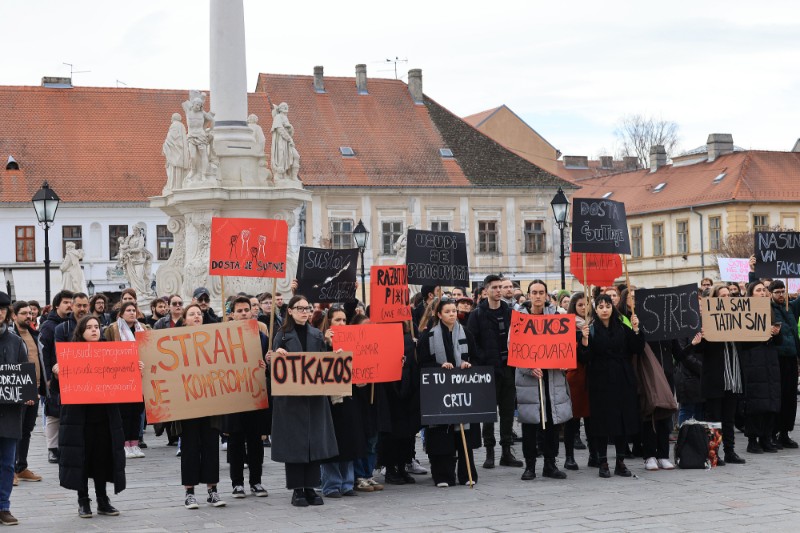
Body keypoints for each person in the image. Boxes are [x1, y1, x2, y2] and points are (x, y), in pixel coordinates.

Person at [269, 295, 338, 507]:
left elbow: (323, 364)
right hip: (291, 401)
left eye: (307, 308)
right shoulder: (282, 335)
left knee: (314, 443)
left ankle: (310, 487)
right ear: (289, 311)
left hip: (314, 399)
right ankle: (297, 489)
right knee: (295, 445)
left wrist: (335, 357)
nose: (304, 311)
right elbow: (274, 367)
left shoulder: (317, 335)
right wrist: (276, 356)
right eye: (299, 308)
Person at [58, 315, 127, 518]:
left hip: (105, 417)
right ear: (81, 332)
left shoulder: (110, 352)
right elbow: (57, 389)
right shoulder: (71, 354)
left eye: (96, 327)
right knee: (83, 458)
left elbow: (123, 379)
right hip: (80, 419)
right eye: (89, 327)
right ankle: (83, 500)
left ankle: (102, 499)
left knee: (101, 459)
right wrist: (57, 373)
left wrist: (134, 371)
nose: (94, 330)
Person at [578, 294, 644, 478]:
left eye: (607, 306)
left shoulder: (623, 327)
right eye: (600, 306)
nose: (605, 309)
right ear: (596, 310)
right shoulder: (590, 329)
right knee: (601, 421)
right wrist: (583, 340)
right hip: (600, 380)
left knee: (622, 420)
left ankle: (620, 461)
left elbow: (637, 348)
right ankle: (603, 461)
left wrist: (637, 329)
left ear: (612, 308)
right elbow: (584, 357)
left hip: (623, 378)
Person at [418, 299, 480, 487]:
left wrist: (469, 365)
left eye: (454, 310)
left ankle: (467, 473)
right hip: (439, 391)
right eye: (447, 311)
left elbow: (476, 357)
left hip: (462, 390)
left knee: (464, 433)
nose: (452, 314)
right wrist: (439, 367)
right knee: (440, 434)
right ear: (439, 315)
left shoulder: (466, 333)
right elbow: (421, 363)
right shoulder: (428, 337)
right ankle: (443, 475)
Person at [517, 280, 572, 481]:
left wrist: (565, 361)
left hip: (553, 378)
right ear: (529, 295)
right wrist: (529, 367)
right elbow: (514, 350)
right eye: (534, 292)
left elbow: (565, 346)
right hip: (530, 380)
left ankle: (550, 463)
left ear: (547, 295)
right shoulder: (520, 319)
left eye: (541, 292)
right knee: (530, 424)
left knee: (552, 423)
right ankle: (529, 465)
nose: (538, 296)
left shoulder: (557, 318)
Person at [467, 274, 521, 469]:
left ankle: (506, 451)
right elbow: (473, 342)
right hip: (488, 370)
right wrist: (483, 360)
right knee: (488, 413)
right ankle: (489, 452)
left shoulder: (510, 312)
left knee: (507, 412)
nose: (499, 291)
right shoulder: (477, 314)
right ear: (486, 290)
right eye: (495, 287)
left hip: (509, 368)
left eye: (501, 287)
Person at [175, 303, 226, 509]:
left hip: (210, 402)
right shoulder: (175, 341)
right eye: (192, 314)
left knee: (211, 445)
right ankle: (189, 492)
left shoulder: (213, 338)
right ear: (185, 319)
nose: (196, 316)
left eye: (199, 314)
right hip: (186, 404)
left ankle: (212, 490)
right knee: (189, 447)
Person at [692, 284, 746, 464]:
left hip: (733, 377)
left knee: (729, 418)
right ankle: (714, 453)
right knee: (714, 418)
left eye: (728, 295)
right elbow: (700, 350)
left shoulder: (738, 318)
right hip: (716, 377)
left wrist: (769, 335)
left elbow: (748, 343)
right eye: (722, 296)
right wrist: (701, 339)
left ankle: (730, 451)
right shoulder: (706, 320)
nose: (726, 298)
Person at [223, 297, 270, 499]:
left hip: (255, 394)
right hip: (233, 396)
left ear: (252, 312)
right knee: (235, 440)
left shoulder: (262, 337)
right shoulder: (223, 337)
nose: (243, 313)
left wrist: (266, 365)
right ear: (232, 314)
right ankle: (237, 483)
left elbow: (268, 370)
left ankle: (256, 481)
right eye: (239, 310)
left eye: (246, 310)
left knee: (255, 441)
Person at [318, 306, 365, 497]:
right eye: (337, 320)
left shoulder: (353, 340)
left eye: (344, 320)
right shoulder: (320, 341)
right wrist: (328, 345)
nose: (342, 324)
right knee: (332, 442)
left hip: (349, 396)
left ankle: (347, 483)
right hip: (330, 399)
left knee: (348, 440)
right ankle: (331, 484)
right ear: (328, 322)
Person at [0, 292, 33, 526]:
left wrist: (28, 393)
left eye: (2, 309)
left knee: (7, 463)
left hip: (10, 413)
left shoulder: (15, 341)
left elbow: (23, 373)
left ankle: (3, 506)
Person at [738, 281, 782, 454]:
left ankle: (766, 437)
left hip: (770, 360)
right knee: (756, 401)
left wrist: (776, 334)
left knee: (771, 400)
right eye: (758, 290)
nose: (763, 292)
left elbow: (779, 342)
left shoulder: (771, 311)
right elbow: (743, 341)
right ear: (751, 294)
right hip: (753, 360)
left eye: (764, 290)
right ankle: (752, 439)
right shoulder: (744, 312)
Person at [376, 319, 421, 486]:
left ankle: (402, 466)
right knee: (390, 434)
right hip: (389, 390)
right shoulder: (381, 336)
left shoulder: (409, 337)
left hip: (408, 389)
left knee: (407, 433)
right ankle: (390, 468)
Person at [103, 302, 146, 459]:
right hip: (121, 378)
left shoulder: (143, 329)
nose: (132, 313)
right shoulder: (113, 329)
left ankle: (135, 443)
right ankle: (124, 444)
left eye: (134, 310)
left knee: (137, 412)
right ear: (121, 314)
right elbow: (106, 351)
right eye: (128, 310)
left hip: (140, 376)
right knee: (124, 413)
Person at [10, 301, 46, 484]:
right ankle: (11, 471)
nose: (28, 316)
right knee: (15, 431)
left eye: (30, 313)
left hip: (37, 389)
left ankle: (21, 466)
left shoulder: (34, 334)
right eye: (23, 313)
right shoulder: (11, 336)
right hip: (20, 390)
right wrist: (26, 391)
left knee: (27, 430)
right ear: (14, 316)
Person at [39, 290, 74, 464]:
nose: (69, 305)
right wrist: (47, 376)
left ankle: (65, 446)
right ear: (57, 305)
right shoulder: (48, 325)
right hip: (54, 376)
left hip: (71, 375)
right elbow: (43, 353)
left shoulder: (72, 323)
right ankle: (52, 449)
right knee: (53, 413)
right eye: (66, 302)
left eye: (71, 302)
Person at [766, 280, 800, 449]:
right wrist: (752, 272)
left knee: (790, 398)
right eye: (777, 292)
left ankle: (785, 433)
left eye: (783, 291)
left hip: (791, 358)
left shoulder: (791, 308)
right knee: (776, 397)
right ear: (770, 293)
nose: (781, 295)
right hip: (776, 359)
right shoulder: (767, 309)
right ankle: (773, 432)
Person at [565, 292, 592, 469]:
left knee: (591, 418)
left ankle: (595, 454)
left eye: (586, 304)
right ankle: (569, 456)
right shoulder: (568, 325)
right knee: (572, 417)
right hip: (574, 375)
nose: (583, 308)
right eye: (580, 304)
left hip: (592, 374)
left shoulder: (595, 323)